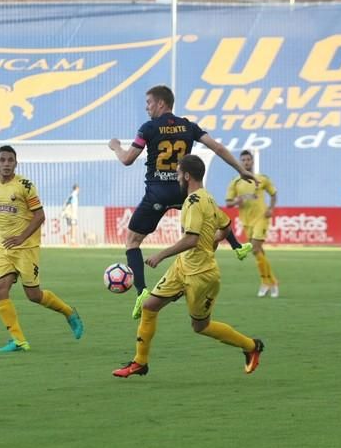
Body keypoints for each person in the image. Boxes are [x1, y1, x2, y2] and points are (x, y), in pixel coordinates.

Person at [109, 85, 255, 320]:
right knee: (211, 217)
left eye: (148, 103)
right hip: (184, 190)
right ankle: (238, 247)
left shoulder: (148, 128)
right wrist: (240, 170)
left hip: (156, 194)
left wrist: (115, 146)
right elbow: (216, 147)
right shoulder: (188, 126)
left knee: (133, 241)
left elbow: (127, 159)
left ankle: (141, 291)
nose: (146, 108)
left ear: (161, 103)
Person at [113, 155, 264, 379]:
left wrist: (160, 255)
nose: (176, 178)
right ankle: (140, 362)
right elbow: (225, 226)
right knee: (149, 306)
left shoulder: (193, 202)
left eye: (177, 173)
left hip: (201, 275)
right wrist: (211, 242)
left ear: (186, 175)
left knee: (200, 326)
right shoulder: (207, 198)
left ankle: (251, 346)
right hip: (182, 267)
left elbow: (191, 240)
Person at [0, 145, 83, 352]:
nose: (6, 164)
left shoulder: (25, 186)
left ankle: (69, 312)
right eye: (2, 160)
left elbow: (40, 216)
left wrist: (21, 237)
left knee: (34, 296)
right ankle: (19, 340)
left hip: (26, 247)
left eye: (10, 160)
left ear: (16, 163)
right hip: (4, 247)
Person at [226, 149, 280, 297]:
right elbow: (228, 203)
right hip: (246, 221)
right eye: (243, 160)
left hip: (261, 218)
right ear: (239, 162)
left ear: (252, 161)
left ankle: (265, 282)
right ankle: (273, 281)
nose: (246, 162)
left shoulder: (262, 179)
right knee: (259, 252)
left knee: (255, 249)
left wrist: (271, 208)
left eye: (248, 160)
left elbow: (273, 193)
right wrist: (239, 200)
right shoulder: (235, 182)